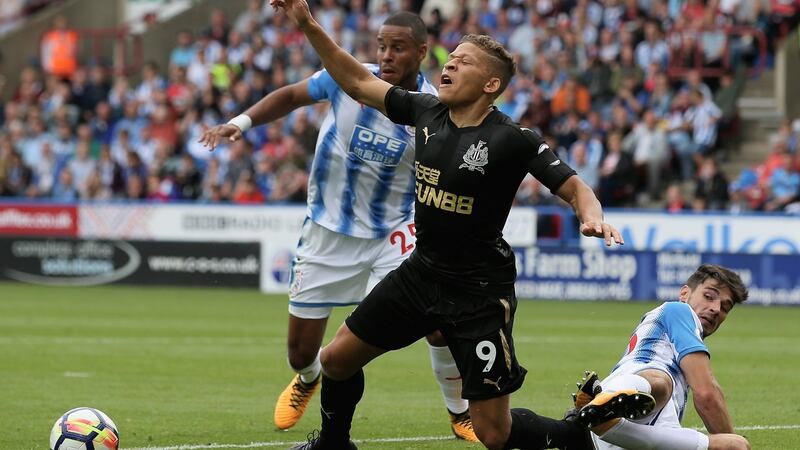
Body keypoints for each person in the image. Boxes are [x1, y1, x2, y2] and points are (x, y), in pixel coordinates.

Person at [267, 1, 654, 449]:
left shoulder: (514, 137)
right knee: (335, 361)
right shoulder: (425, 112)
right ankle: (333, 444)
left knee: (494, 434)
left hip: (478, 294)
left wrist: (592, 218)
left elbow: (573, 187)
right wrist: (308, 25)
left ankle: (577, 431)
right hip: (421, 274)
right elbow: (355, 80)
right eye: (450, 58)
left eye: (464, 62)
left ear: (491, 84)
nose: (449, 65)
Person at [199, 11, 479, 442]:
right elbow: (292, 95)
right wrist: (239, 123)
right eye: (382, 45)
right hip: (328, 231)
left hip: (394, 232)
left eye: (398, 47)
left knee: (437, 322)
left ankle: (459, 411)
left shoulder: (434, 109)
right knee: (299, 354)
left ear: (422, 51)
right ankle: (309, 378)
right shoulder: (348, 78)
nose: (386, 55)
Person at [574, 264, 752, 450]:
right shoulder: (679, 311)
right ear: (684, 294)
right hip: (620, 415)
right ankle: (604, 398)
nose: (716, 309)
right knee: (660, 383)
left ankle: (598, 405)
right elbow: (707, 394)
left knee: (736, 445)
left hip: (633, 434)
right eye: (709, 296)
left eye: (725, 307)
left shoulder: (676, 349)